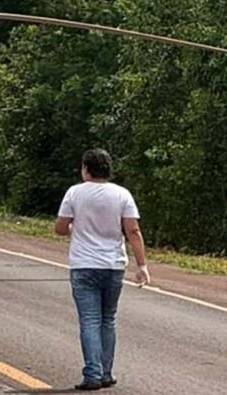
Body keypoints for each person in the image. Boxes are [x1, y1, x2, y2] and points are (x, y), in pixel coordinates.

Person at [55, 148, 149, 391]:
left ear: (86, 169)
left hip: (84, 265)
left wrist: (75, 226)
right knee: (108, 319)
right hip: (113, 265)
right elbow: (133, 231)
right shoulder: (122, 195)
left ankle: (92, 373)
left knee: (89, 320)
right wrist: (142, 265)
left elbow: (60, 228)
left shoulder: (75, 193)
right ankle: (106, 372)